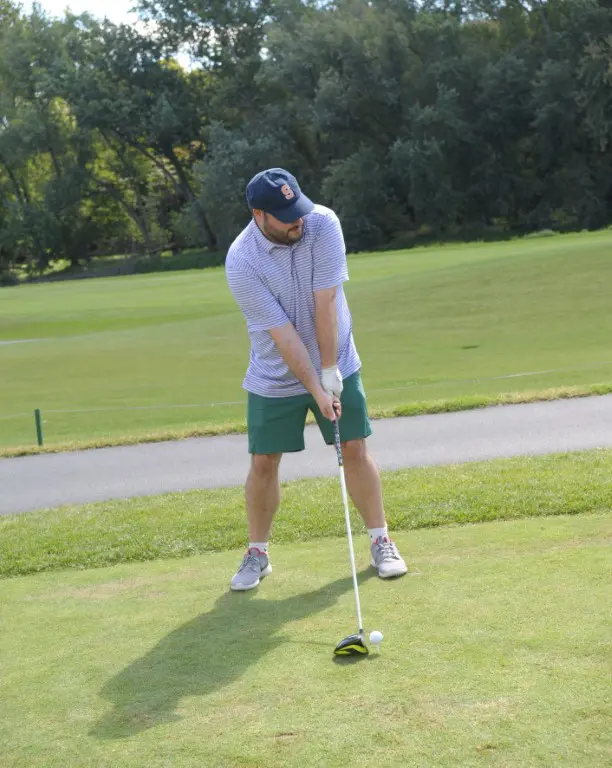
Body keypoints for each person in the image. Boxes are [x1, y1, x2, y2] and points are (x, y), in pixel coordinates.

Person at [225, 168, 407, 591]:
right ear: (258, 216)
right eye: (286, 216)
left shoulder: (323, 224)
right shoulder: (241, 261)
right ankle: (257, 553)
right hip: (275, 373)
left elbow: (325, 303)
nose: (298, 221)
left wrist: (329, 372)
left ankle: (381, 541)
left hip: (338, 361)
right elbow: (283, 335)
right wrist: (314, 388)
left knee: (354, 447)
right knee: (263, 461)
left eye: (298, 210)